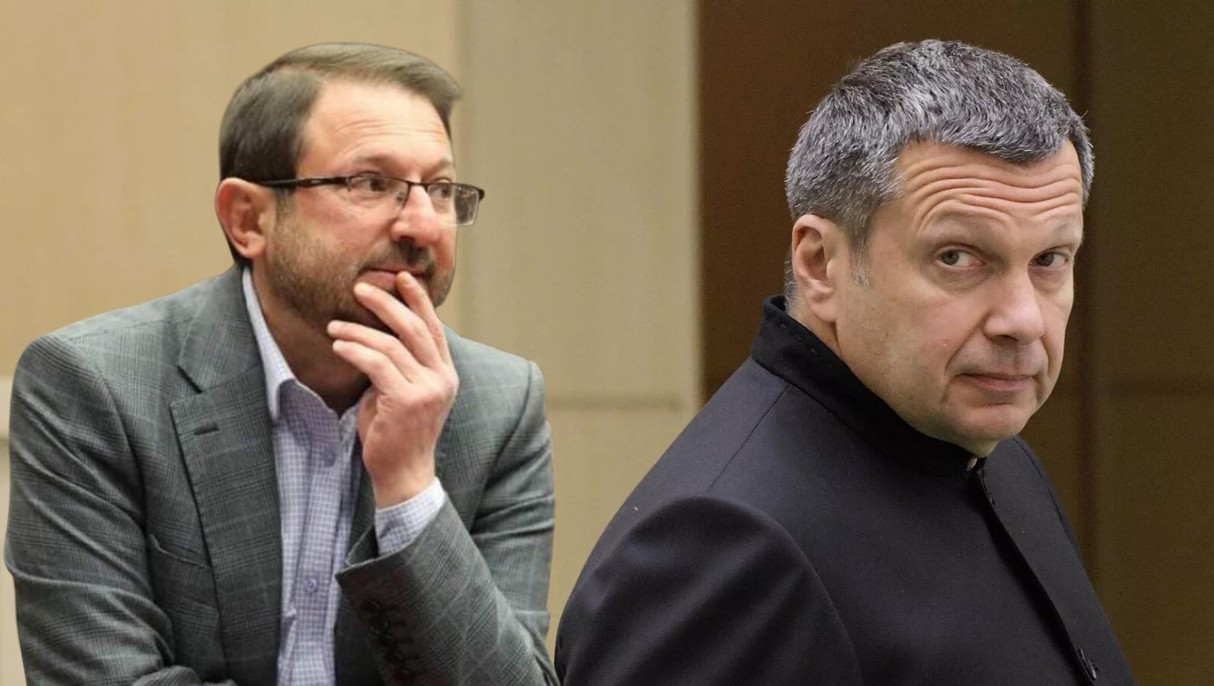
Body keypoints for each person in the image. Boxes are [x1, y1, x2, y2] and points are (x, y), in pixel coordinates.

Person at [556, 40, 1135, 685]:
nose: (1023, 320)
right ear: (820, 264)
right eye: (956, 258)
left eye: (1050, 260)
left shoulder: (996, 457)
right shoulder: (721, 549)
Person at [5, 42, 555, 685]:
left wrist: (411, 492)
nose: (420, 226)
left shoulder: (498, 403)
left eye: (437, 190)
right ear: (248, 220)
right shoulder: (94, 384)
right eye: (370, 183)